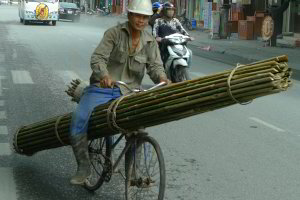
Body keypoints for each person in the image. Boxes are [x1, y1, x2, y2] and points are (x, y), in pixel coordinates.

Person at [69, 0, 170, 186]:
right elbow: (98, 58)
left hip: (129, 92)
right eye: (138, 15)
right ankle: (83, 167)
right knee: (78, 119)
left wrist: (162, 79)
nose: (141, 20)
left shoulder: (149, 41)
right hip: (104, 89)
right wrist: (104, 75)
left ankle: (133, 173)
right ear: (129, 15)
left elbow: (155, 66)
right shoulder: (114, 34)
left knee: (138, 129)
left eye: (145, 17)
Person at [152, 2, 193, 67]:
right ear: (164, 11)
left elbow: (182, 30)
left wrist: (188, 36)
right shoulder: (158, 21)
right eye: (169, 10)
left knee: (189, 52)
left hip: (175, 43)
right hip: (164, 44)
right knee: (158, 61)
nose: (171, 12)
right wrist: (157, 38)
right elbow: (154, 33)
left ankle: (186, 69)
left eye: (172, 10)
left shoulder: (175, 20)